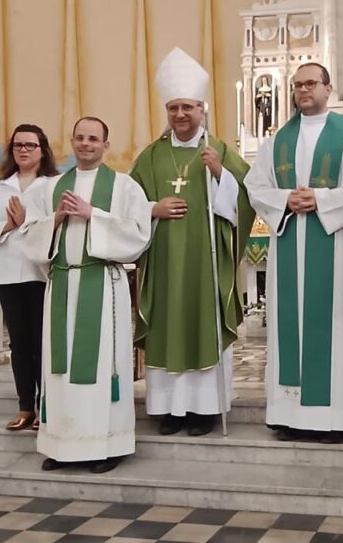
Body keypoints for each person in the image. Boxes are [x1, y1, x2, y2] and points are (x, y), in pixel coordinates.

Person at [245, 62, 343, 444]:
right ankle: (291, 414)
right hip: (289, 241)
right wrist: (285, 198)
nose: (304, 90)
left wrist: (320, 199)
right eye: (298, 85)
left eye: (311, 83)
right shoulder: (276, 141)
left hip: (336, 247)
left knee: (339, 325)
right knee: (292, 327)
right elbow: (255, 186)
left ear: (328, 88)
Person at [131, 48, 255, 437]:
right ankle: (170, 410)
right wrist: (154, 209)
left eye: (187, 107)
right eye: (173, 108)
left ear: (202, 109)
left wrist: (221, 176)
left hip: (205, 263)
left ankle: (204, 409)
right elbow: (128, 203)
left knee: (204, 324)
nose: (180, 115)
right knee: (168, 328)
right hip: (165, 262)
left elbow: (249, 199)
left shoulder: (217, 152)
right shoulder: (150, 157)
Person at [22, 116, 152, 474]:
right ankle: (61, 446)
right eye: (79, 138)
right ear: (72, 142)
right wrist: (57, 220)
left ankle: (104, 446)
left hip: (102, 284)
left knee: (99, 371)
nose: (86, 144)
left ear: (106, 145)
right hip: (62, 285)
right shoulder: (49, 190)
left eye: (94, 139)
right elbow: (30, 235)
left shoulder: (125, 188)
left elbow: (139, 236)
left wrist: (93, 214)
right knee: (59, 368)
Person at [0, 124, 58, 432]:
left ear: (43, 150)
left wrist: (26, 222)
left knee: (43, 342)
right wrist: (7, 226)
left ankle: (47, 406)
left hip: (41, 274)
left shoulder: (53, 185)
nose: (23, 150)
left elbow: (57, 224)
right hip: (9, 275)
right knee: (20, 344)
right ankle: (26, 407)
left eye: (30, 145)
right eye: (18, 145)